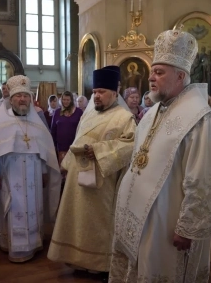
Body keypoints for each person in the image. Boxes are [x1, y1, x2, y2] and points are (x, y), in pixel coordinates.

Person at [109, 28, 211, 282]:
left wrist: (188, 228)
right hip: (143, 220)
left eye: (159, 72)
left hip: (169, 225)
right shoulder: (153, 112)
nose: (151, 78)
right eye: (152, 71)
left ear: (180, 76)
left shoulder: (201, 120)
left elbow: (204, 180)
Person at [47, 67, 136, 278]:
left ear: (116, 92)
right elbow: (78, 141)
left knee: (99, 223)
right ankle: (79, 260)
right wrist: (67, 165)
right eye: (94, 91)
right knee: (77, 220)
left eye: (102, 91)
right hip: (78, 179)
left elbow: (131, 145)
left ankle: (100, 264)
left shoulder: (124, 118)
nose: (96, 95)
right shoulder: (88, 115)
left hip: (103, 183)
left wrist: (98, 151)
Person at [0, 75, 61, 263]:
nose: (22, 99)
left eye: (25, 96)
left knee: (34, 206)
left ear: (30, 99)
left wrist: (46, 172)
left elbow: (44, 152)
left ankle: (34, 242)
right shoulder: (0, 123)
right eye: (18, 96)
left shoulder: (37, 123)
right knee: (12, 207)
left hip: (34, 176)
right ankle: (11, 244)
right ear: (10, 99)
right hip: (9, 175)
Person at [51, 91, 83, 164]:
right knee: (63, 169)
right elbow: (53, 130)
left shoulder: (79, 112)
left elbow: (82, 128)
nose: (65, 102)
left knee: (73, 170)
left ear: (71, 100)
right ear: (61, 100)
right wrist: (53, 145)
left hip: (75, 146)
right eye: (64, 99)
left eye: (68, 100)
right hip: (61, 147)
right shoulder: (57, 112)